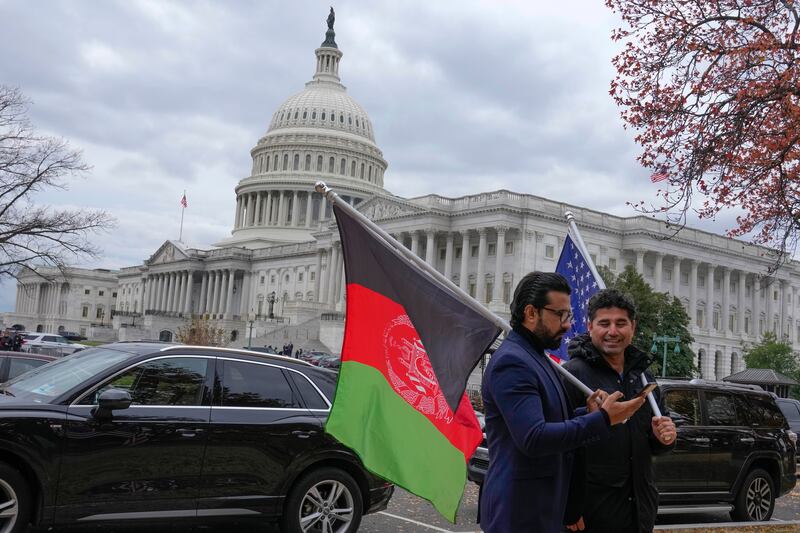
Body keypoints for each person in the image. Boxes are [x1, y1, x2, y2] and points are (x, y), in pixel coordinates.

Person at [479, 272, 646, 533]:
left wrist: (589, 411)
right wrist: (602, 419)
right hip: (520, 512)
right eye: (561, 315)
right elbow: (534, 437)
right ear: (531, 313)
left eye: (569, 316)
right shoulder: (513, 362)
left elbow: (552, 419)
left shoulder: (537, 357)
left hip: (543, 508)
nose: (568, 325)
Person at [563, 289, 677, 533]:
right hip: (591, 515)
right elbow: (559, 447)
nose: (612, 331)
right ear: (589, 326)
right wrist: (568, 506)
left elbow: (650, 442)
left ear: (633, 327)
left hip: (639, 512)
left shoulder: (644, 376)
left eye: (621, 323)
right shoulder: (572, 375)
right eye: (604, 323)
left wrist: (663, 439)